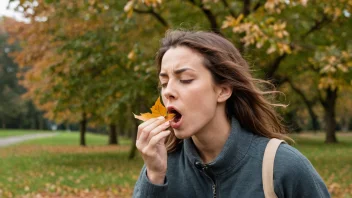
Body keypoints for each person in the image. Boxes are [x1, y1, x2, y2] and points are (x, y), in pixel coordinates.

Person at [133, 30, 330, 198]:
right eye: (164, 82)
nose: (168, 92)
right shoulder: (162, 168)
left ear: (223, 90)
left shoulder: (284, 167)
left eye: (185, 79)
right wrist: (155, 176)